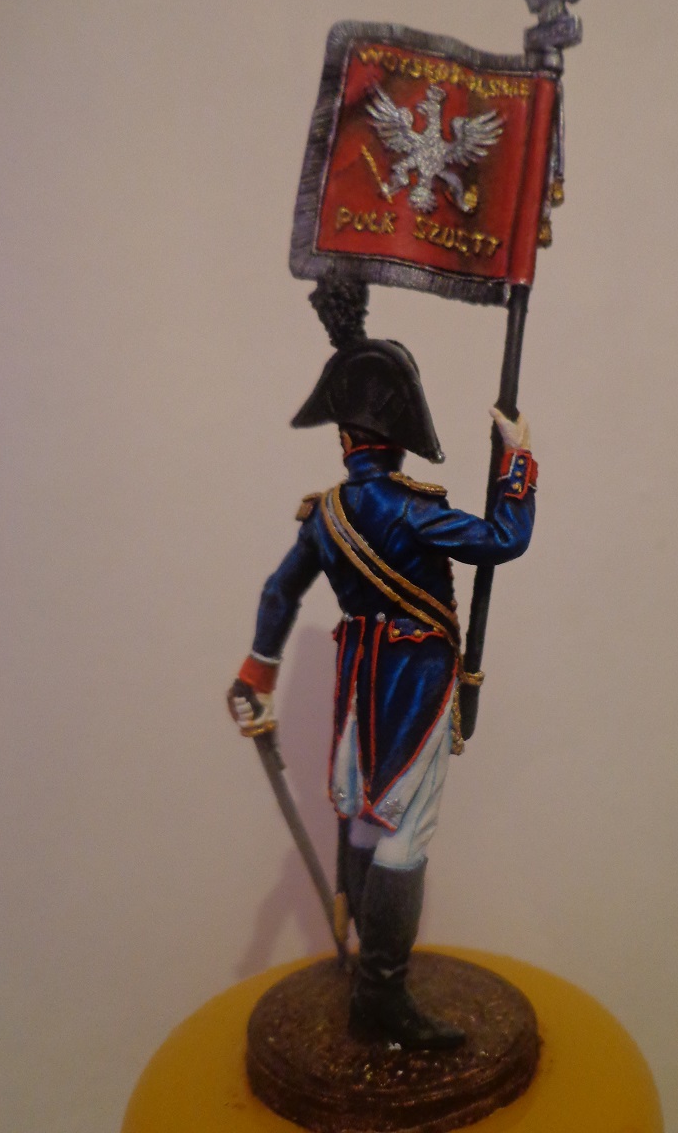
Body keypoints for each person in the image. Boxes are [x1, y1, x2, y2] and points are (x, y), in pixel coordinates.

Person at [227, 272, 537, 1049]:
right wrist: (517, 461)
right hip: (416, 683)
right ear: (398, 438)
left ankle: (372, 970)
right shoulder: (416, 510)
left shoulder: (325, 515)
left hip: (358, 685)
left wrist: (257, 671)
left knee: (367, 816)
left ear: (344, 437)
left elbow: (279, 592)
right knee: (407, 830)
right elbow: (506, 540)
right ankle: (382, 997)